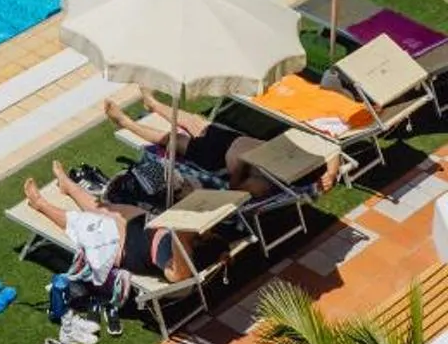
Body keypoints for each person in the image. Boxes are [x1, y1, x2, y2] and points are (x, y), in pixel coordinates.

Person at [23, 163, 193, 321]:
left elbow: (178, 276)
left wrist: (181, 235)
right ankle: (67, 185)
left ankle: (40, 204)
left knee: (82, 223)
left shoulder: (177, 259)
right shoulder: (198, 240)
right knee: (101, 208)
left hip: (128, 248)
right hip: (147, 225)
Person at [108, 90, 342, 194]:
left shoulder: (266, 182)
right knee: (194, 121)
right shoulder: (301, 157)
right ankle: (154, 104)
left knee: (173, 139)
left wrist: (240, 167)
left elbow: (235, 190)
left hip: (215, 158)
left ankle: (126, 123)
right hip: (231, 138)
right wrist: (331, 173)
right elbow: (331, 148)